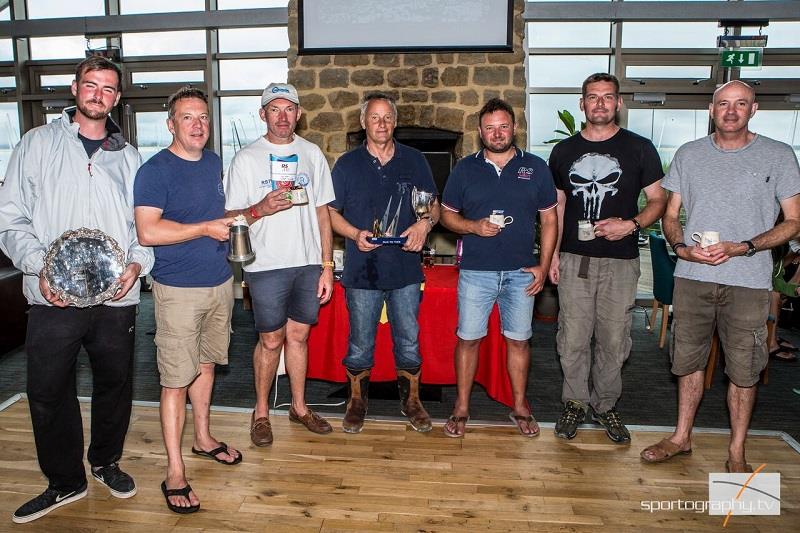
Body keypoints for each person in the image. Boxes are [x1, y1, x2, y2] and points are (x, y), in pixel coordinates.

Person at [0, 56, 154, 524]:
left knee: (116, 385)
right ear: (74, 88)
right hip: (52, 297)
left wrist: (136, 265)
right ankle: (65, 481)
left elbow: (142, 229)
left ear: (117, 98)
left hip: (116, 299)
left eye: (108, 89)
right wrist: (38, 268)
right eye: (91, 85)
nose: (98, 95)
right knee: (47, 391)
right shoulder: (37, 143)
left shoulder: (128, 156)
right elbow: (10, 218)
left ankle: (106, 461)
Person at [640, 81, 800, 473]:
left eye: (740, 104)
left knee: (745, 369)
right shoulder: (689, 155)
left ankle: (737, 451)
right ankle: (681, 437)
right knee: (687, 360)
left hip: (749, 279)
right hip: (692, 276)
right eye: (723, 104)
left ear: (754, 109)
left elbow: (794, 221)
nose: (731, 111)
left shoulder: (778, 156)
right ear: (712, 110)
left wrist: (743, 247)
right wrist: (681, 249)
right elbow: (670, 213)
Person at [133, 87, 241, 514]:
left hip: (219, 284)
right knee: (175, 378)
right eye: (188, 117)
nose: (198, 125)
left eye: (203, 117)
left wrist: (254, 211)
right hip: (177, 290)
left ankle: (203, 439)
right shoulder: (154, 170)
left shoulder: (214, 162)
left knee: (207, 364)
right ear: (171, 124)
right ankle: (174, 470)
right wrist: (203, 229)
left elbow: (217, 219)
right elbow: (148, 233)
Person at [547, 73, 667, 443]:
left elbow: (659, 201)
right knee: (573, 338)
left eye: (607, 97)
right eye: (592, 97)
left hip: (621, 260)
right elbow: (558, 205)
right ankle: (575, 403)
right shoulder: (563, 152)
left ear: (618, 103)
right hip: (574, 258)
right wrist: (551, 255)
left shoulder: (640, 148)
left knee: (615, 339)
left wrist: (630, 224)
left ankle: (606, 406)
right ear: (582, 104)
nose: (600, 103)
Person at [224, 83, 335, 446]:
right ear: (263, 114)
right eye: (275, 109)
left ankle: (299, 407)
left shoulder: (312, 153)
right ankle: (260, 412)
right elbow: (231, 217)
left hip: (306, 262)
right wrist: (261, 208)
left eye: (289, 109)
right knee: (271, 341)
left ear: (299, 114)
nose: (283, 116)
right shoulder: (246, 158)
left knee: (299, 337)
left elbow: (323, 213)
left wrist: (327, 265)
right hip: (266, 264)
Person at [440, 97, 558, 438]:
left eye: (503, 126)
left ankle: (520, 406)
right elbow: (446, 215)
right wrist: (474, 227)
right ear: (480, 132)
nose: (497, 133)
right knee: (468, 339)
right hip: (476, 272)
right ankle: (462, 407)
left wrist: (543, 265)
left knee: (520, 341)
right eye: (490, 127)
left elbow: (550, 220)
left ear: (514, 128)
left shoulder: (535, 167)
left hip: (522, 273)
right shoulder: (465, 168)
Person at [328, 92, 440, 434]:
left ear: (395, 123)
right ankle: (357, 402)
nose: (381, 124)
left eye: (387, 118)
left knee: (408, 340)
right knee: (360, 343)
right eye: (374, 118)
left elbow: (433, 206)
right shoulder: (346, 164)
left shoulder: (415, 160)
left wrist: (424, 224)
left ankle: (412, 402)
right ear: (363, 123)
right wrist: (353, 232)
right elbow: (330, 213)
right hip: (362, 271)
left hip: (405, 270)